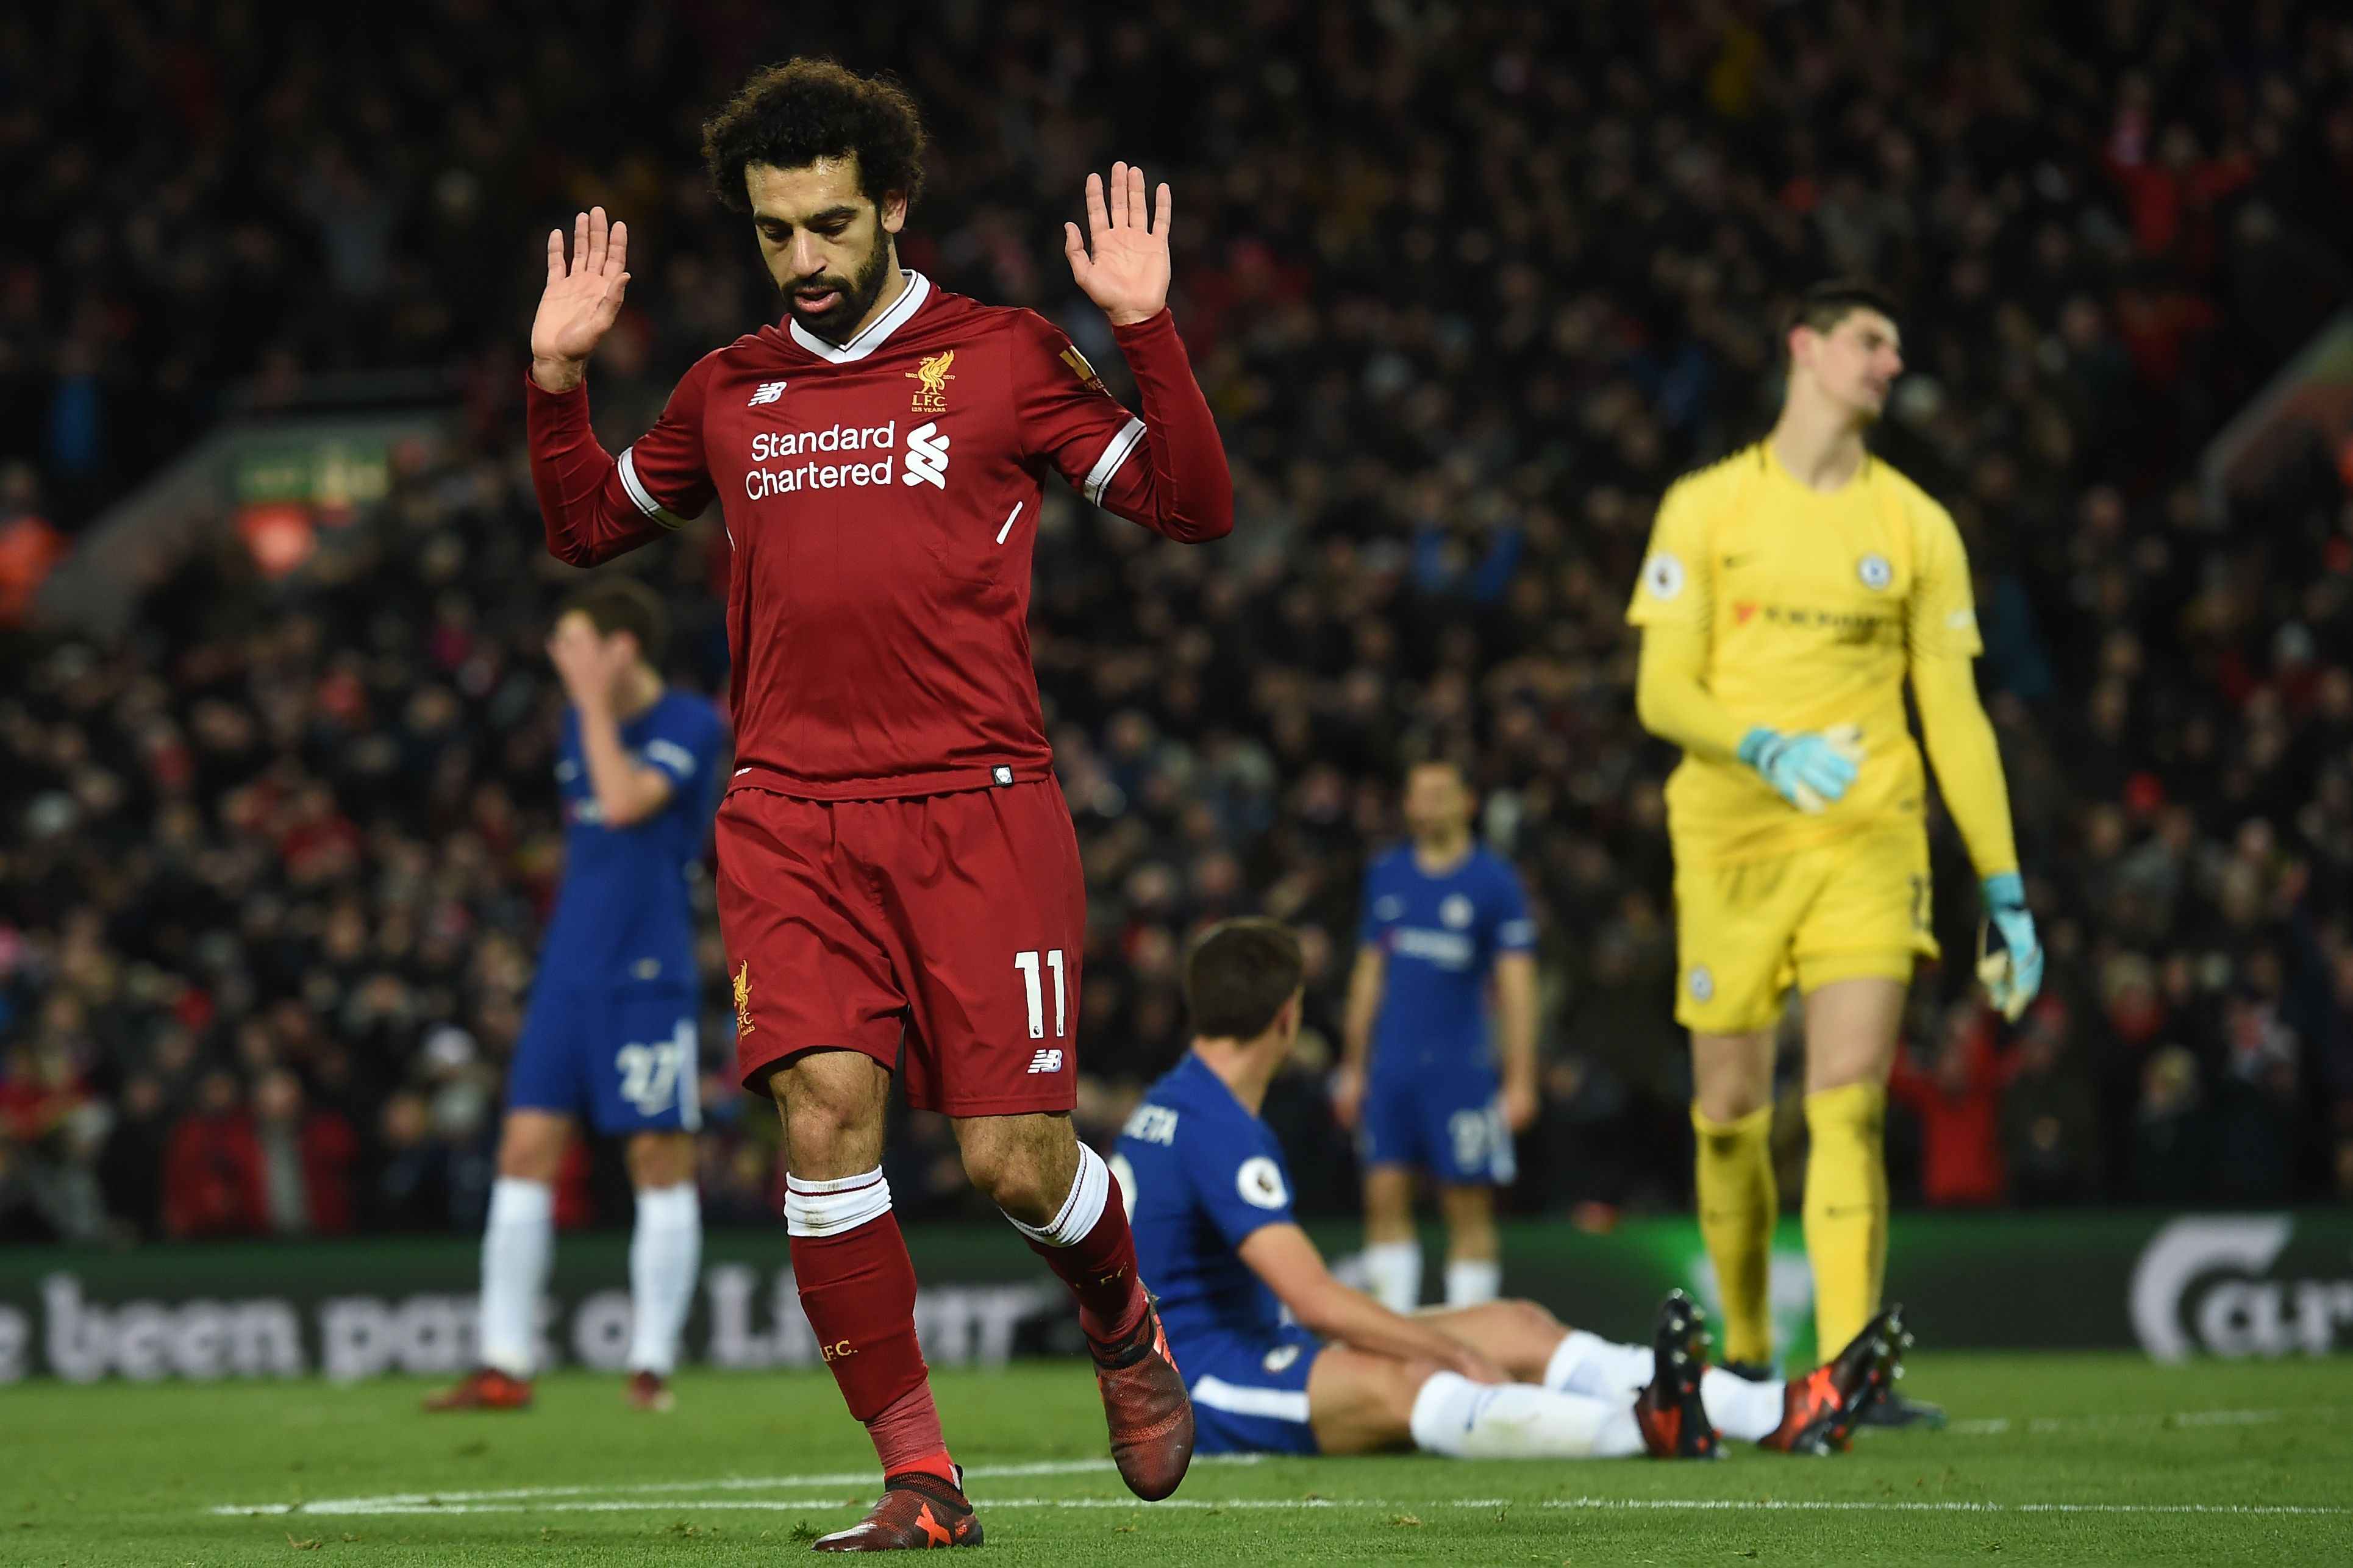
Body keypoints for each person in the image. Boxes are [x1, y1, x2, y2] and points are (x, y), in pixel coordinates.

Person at [520, 59, 1232, 1547]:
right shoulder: (729, 389)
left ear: (892, 204)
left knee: (1012, 1164)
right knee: (824, 1122)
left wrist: (1147, 330)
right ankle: (920, 1473)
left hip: (980, 807)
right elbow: (587, 525)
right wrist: (557, 382)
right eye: (777, 233)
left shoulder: (1006, 355)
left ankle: (1118, 1314)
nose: (806, 259)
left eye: (831, 224)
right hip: (788, 815)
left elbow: (1189, 503)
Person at [1627, 279, 2043, 1427]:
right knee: (1727, 1113)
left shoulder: (1914, 525)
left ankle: (1849, 1370)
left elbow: (1953, 717)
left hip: (1866, 834)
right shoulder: (1705, 507)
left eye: (1897, 346)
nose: (1889, 362)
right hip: (1726, 836)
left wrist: (2002, 885)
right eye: (1870, 339)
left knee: (1848, 1102)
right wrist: (1755, 740)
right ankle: (1754, 1358)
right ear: (1802, 348)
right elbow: (1660, 687)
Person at [1117, 919, 1904, 1463]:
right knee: (1420, 1377)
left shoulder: (1172, 1104)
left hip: (1250, 1341)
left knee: (1515, 1323)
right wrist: (1448, 1348)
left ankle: (1780, 1411)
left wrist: (1460, 1337)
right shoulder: (1214, 1125)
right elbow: (1317, 1301)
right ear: (1287, 1018)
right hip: (1205, 1388)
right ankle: (1639, 1427)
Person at [428, 578, 724, 1414]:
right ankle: (503, 1363)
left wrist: (593, 706)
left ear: (620, 649)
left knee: (656, 1157)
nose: (562, 662)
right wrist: (588, 708)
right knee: (521, 1152)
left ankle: (651, 1366)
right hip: (568, 969)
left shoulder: (690, 722)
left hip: (646, 972)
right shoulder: (576, 720)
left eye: (574, 644)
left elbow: (627, 804)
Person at [1332, 760, 1537, 1313]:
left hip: (1460, 1069)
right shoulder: (1387, 873)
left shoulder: (1493, 880)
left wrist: (1520, 1079)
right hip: (1393, 1066)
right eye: (1418, 796)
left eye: (1440, 795)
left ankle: (1469, 1339)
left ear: (1466, 803)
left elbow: (1517, 985)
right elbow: (1369, 973)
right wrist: (1353, 1066)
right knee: (1382, 1200)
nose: (1427, 807)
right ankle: (1394, 1343)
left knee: (1468, 1208)